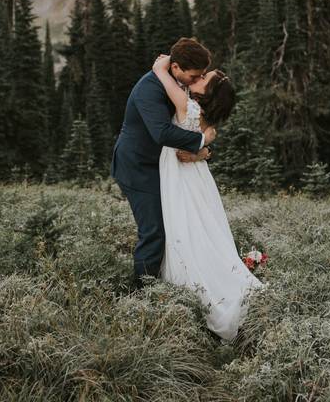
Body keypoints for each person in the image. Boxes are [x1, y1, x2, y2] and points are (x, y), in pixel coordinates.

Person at [153, 53, 263, 341]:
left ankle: (198, 292)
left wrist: (161, 65)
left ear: (208, 93)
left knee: (186, 229)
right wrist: (203, 150)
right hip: (197, 177)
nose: (198, 78)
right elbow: (204, 138)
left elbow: (161, 74)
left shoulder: (185, 104)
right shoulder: (205, 118)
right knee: (204, 230)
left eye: (205, 79)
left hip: (180, 176)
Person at [111, 38, 216, 288]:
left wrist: (202, 150)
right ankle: (140, 293)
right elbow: (162, 133)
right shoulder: (149, 89)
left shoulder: (175, 81)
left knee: (173, 224)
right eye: (194, 76)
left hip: (162, 166)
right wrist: (202, 140)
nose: (197, 81)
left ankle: (169, 282)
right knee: (154, 230)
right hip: (137, 166)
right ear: (176, 68)